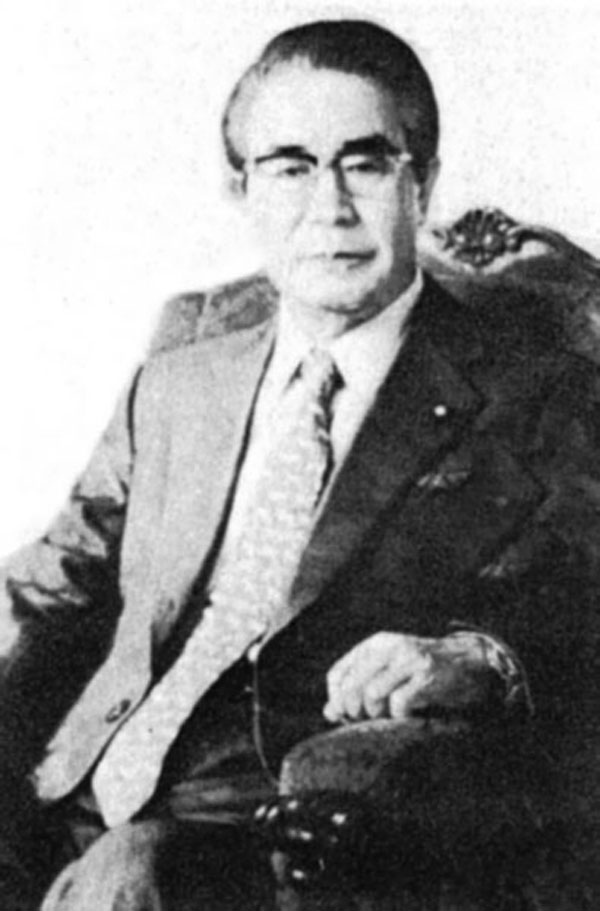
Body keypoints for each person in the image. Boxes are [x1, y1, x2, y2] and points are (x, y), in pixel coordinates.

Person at [0, 17, 598, 911]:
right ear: (240, 189)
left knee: (134, 877)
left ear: (423, 183)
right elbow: (53, 583)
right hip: (81, 781)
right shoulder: (180, 379)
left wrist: (479, 655)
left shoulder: (537, 390)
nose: (331, 207)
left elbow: (579, 601)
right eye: (289, 167)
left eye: (366, 163)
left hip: (283, 829)